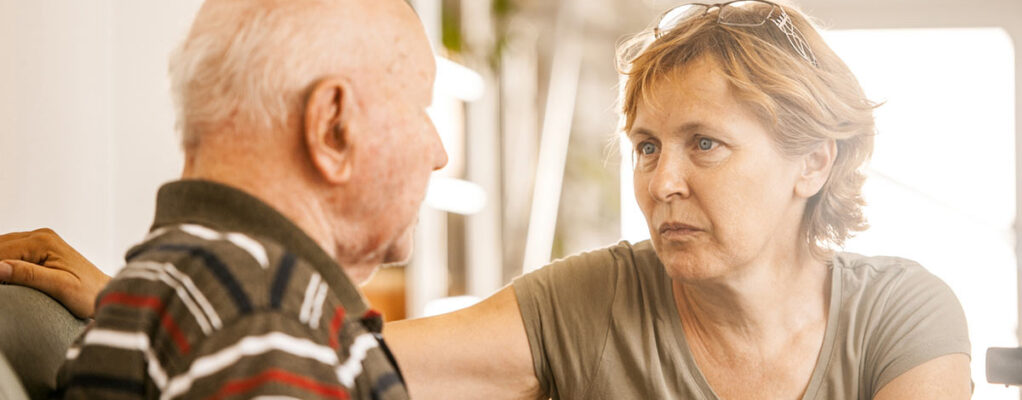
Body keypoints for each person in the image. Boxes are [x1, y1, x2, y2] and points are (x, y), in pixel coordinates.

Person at [0, 1, 972, 399]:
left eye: (703, 145)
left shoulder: (904, 310)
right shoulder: (590, 297)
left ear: (813, 160)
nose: (658, 182)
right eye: (643, 145)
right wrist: (154, 294)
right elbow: (355, 356)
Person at [0, 0, 447, 398]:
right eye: (420, 107)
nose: (439, 154)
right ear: (333, 127)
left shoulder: (187, 298)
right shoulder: (269, 331)